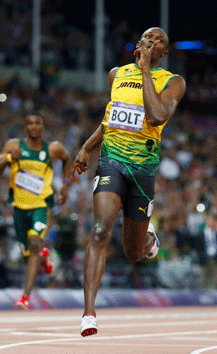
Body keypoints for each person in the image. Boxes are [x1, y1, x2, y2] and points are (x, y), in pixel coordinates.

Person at [73, 27, 186, 336]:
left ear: (163, 53)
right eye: (147, 38)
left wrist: (147, 70)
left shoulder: (173, 82)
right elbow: (113, 116)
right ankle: (89, 314)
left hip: (143, 170)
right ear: (138, 45)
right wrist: (87, 146)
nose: (152, 42)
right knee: (99, 231)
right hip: (111, 162)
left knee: (133, 253)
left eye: (159, 40)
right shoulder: (116, 75)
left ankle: (149, 240)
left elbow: (157, 115)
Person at [0, 113, 73, 309]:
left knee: (35, 241)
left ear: (42, 126)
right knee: (27, 255)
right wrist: (7, 158)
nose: (34, 126)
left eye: (38, 123)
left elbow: (68, 159)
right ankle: (44, 257)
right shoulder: (14, 146)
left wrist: (65, 185)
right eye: (29, 123)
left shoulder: (52, 149)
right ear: (25, 127)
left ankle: (25, 296)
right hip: (19, 207)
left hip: (40, 205)